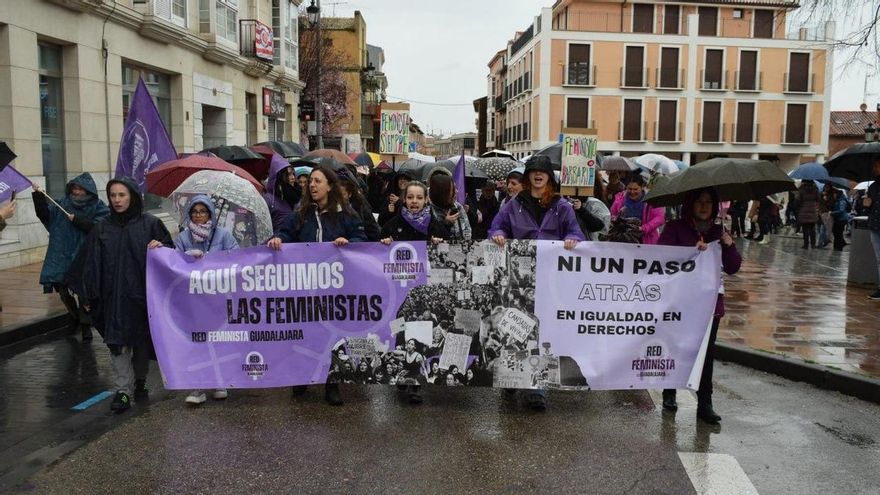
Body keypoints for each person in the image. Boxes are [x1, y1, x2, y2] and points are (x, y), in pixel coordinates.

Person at [489, 155, 584, 411]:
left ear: (549, 177)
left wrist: (573, 239)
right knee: (516, 327)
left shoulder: (561, 205)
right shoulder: (514, 203)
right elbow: (497, 226)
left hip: (550, 279)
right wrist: (498, 234)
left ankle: (536, 388)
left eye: (543, 171)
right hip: (520, 279)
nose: (538, 175)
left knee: (542, 331)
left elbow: (575, 231)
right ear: (528, 176)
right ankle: (511, 376)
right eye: (534, 171)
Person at [267, 167, 367, 406]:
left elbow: (362, 240)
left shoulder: (346, 214)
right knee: (305, 334)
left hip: (335, 288)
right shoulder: (301, 212)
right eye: (310, 181)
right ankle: (302, 377)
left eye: (317, 181)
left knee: (332, 336)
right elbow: (286, 231)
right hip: (306, 287)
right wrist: (279, 237)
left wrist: (349, 242)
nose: (312, 185)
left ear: (329, 186)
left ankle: (332, 383)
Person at [78, 177, 172, 413]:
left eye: (122, 195)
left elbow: (171, 256)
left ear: (131, 196)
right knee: (118, 344)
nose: (117, 200)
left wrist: (160, 247)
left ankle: (139, 381)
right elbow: (90, 263)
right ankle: (122, 391)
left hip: (142, 296)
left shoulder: (151, 224)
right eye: (113, 196)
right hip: (113, 297)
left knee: (140, 342)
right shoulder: (102, 227)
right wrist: (89, 295)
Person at [659, 188, 741, 425]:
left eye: (708, 202)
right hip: (679, 302)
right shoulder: (675, 228)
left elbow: (733, 266)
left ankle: (705, 403)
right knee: (674, 347)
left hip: (709, 305)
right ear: (690, 204)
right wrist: (690, 253)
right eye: (699, 202)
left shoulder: (719, 231)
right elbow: (662, 258)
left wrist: (728, 244)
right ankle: (669, 391)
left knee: (706, 355)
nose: (704, 207)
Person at [174, 195, 239, 405]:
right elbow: (173, 264)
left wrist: (214, 260)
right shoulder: (183, 238)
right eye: (194, 211)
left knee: (219, 339)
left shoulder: (224, 235)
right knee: (197, 340)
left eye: (203, 211)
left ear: (210, 213)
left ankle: (220, 381)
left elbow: (237, 258)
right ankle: (198, 386)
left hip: (218, 298)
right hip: (193, 300)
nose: (198, 215)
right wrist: (187, 259)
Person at [30, 174, 110, 341]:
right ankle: (74, 316)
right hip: (62, 254)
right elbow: (45, 216)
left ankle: (85, 324)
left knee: (83, 292)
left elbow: (102, 228)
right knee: (62, 289)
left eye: (80, 188)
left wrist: (78, 221)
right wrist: (38, 196)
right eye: (74, 188)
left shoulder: (97, 206)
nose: (77, 191)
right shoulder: (62, 204)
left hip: (83, 255)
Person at [610, 174, 665, 244]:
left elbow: (660, 218)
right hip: (623, 240)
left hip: (645, 240)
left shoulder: (651, 199)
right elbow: (612, 214)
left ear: (642, 187)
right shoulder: (620, 198)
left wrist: (643, 228)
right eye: (629, 189)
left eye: (635, 189)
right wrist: (616, 218)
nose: (632, 192)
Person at [428, 173, 472, 241]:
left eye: (456, 188)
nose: (456, 192)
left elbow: (467, 229)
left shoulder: (458, 207)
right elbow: (434, 237)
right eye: (453, 190)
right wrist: (446, 223)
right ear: (442, 193)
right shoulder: (429, 211)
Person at [262, 157, 302, 231]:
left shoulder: (299, 195)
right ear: (279, 177)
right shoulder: (269, 199)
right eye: (288, 175)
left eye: (293, 174)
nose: (293, 177)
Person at [339, 173, 380, 241]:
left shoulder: (360, 207)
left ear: (349, 194)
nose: (339, 198)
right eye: (337, 194)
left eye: (343, 195)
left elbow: (372, 231)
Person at [863, 159, 880, 300]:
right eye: (874, 166)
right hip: (875, 225)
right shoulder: (873, 186)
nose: (874, 168)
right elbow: (868, 209)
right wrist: (866, 205)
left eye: (877, 166)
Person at [797, 181, 820, 249]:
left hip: (803, 211)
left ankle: (806, 244)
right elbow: (818, 199)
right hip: (812, 210)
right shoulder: (815, 190)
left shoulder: (802, 190)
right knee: (812, 229)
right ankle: (813, 244)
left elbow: (799, 200)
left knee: (805, 229)